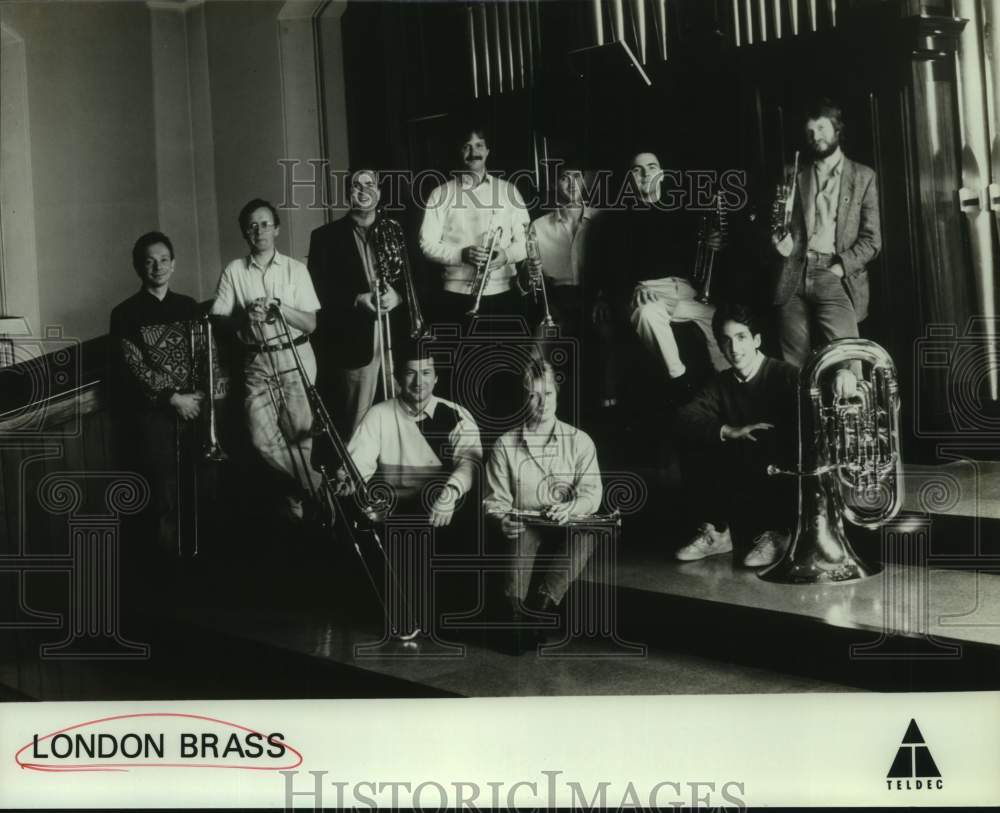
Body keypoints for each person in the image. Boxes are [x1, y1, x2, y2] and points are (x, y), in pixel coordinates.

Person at [674, 303, 857, 567]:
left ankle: (779, 534)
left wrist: (843, 373)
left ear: (757, 340)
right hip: (745, 474)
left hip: (783, 474)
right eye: (725, 341)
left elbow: (823, 391)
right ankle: (720, 533)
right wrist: (729, 431)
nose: (734, 349)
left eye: (741, 338)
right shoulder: (721, 382)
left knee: (778, 440)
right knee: (697, 435)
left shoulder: (784, 374)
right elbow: (685, 415)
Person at [209, 198, 323, 521]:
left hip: (295, 356)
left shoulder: (295, 269)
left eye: (265, 224)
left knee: (301, 439)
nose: (259, 231)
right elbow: (218, 320)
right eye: (252, 226)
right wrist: (245, 317)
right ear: (245, 233)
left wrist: (279, 307)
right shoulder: (234, 270)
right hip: (256, 363)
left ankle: (297, 507)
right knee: (261, 441)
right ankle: (319, 488)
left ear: (277, 229)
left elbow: (311, 324)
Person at [484, 360, 603, 651]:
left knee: (588, 530)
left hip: (567, 521)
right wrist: (501, 519)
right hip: (527, 520)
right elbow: (495, 499)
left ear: (557, 394)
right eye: (533, 395)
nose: (542, 402)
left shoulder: (580, 441)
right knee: (518, 530)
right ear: (523, 399)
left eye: (548, 393)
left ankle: (540, 611)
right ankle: (515, 616)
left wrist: (572, 507)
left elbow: (592, 493)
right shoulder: (505, 444)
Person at [593, 150, 728, 399]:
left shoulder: (683, 212)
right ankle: (682, 381)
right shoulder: (616, 219)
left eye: (652, 167)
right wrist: (632, 289)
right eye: (637, 170)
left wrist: (712, 242)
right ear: (630, 179)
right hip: (648, 290)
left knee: (721, 321)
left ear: (662, 174)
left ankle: (728, 383)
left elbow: (700, 254)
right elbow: (611, 267)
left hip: (687, 292)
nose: (646, 174)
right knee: (647, 314)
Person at [110, 231, 202, 555]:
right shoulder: (124, 314)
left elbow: (205, 359)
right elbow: (132, 369)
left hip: (195, 411)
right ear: (138, 267)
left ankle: (200, 568)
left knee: (201, 490)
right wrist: (173, 399)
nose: (158, 267)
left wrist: (197, 400)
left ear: (173, 265)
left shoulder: (190, 306)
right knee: (164, 497)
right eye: (149, 261)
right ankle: (169, 575)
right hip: (154, 416)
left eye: (164, 260)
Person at [772, 98, 881, 367]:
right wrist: (777, 239)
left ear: (837, 130)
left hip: (834, 272)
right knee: (794, 367)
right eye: (810, 131)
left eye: (821, 128)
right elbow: (776, 223)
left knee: (849, 360)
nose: (815, 136)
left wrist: (837, 270)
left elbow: (872, 241)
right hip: (792, 273)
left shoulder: (863, 176)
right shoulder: (792, 172)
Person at [339, 340, 482, 527]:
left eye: (426, 373)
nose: (418, 382)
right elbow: (359, 464)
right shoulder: (378, 414)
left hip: (440, 510)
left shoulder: (456, 415)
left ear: (436, 378)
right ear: (398, 378)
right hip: (392, 511)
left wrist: (450, 493)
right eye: (410, 373)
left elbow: (470, 463)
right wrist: (354, 483)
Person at [307, 168, 404, 438]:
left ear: (379, 192)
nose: (363, 191)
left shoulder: (395, 230)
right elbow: (318, 292)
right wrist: (355, 299)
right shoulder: (324, 237)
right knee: (357, 424)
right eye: (355, 186)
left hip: (394, 334)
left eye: (369, 184)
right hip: (354, 340)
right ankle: (353, 477)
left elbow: (413, 281)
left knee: (402, 416)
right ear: (348, 194)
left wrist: (399, 296)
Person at [524, 161, 616, 411]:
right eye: (565, 178)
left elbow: (614, 267)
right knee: (535, 358)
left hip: (596, 297)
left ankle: (609, 407)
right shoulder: (538, 227)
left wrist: (604, 296)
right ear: (555, 183)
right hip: (557, 302)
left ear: (585, 181)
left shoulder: (603, 219)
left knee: (607, 339)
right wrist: (530, 275)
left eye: (578, 176)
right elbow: (530, 281)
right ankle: (544, 409)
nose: (572, 183)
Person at [419, 125, 530, 327]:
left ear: (488, 150)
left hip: (504, 294)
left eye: (479, 145)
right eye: (466, 147)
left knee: (504, 359)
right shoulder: (440, 194)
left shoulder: (509, 191)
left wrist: (506, 255)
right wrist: (461, 255)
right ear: (459, 152)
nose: (474, 153)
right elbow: (426, 244)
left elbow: (526, 241)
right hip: (456, 296)